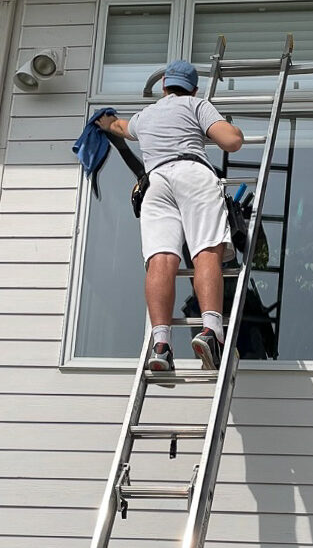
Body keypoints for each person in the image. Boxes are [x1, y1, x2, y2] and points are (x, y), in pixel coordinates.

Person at [96, 60, 244, 372]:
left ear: (164, 87)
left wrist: (107, 121)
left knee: (160, 260)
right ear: (192, 87)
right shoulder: (196, 105)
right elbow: (231, 142)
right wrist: (234, 129)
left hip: (155, 183)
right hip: (192, 173)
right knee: (206, 251)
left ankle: (161, 344)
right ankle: (211, 331)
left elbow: (119, 126)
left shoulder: (145, 116)